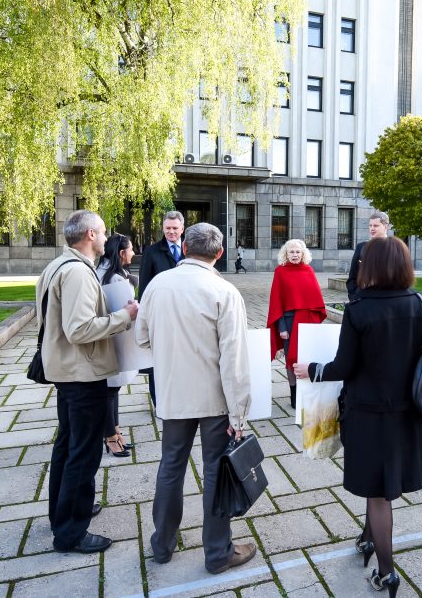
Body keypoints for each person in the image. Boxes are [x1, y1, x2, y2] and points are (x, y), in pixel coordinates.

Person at [294, 237, 422, 598]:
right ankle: (367, 540)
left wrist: (312, 369)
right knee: (381, 484)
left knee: (378, 494)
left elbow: (344, 366)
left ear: (372, 267)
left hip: (369, 413)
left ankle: (387, 572)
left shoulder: (359, 309)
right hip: (409, 411)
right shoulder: (421, 304)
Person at [135, 222, 258, 574]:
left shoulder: (157, 284)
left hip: (173, 392)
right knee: (216, 471)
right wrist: (239, 414)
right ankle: (218, 552)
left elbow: (141, 338)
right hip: (214, 397)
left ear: (186, 247)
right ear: (219, 254)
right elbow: (235, 359)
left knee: (170, 467)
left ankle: (162, 543)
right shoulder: (223, 290)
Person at [36, 210, 138, 554]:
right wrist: (124, 316)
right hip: (83, 372)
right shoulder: (78, 273)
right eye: (104, 232)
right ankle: (71, 532)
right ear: (90, 235)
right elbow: (79, 329)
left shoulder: (58, 265)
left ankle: (62, 513)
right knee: (82, 452)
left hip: (67, 370)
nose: (108, 238)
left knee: (67, 446)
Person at [267, 239, 326, 409]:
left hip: (308, 322)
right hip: (289, 322)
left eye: (298, 252)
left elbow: (316, 301)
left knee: (307, 357)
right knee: (290, 360)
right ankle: (293, 393)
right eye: (291, 252)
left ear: (303, 254)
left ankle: (305, 392)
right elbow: (276, 303)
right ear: (286, 254)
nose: (294, 255)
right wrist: (282, 328)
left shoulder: (308, 270)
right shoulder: (280, 271)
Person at [95, 233, 139, 458]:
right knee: (109, 391)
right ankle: (111, 437)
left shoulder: (106, 273)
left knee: (113, 390)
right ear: (121, 253)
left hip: (109, 337)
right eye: (131, 249)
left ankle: (115, 432)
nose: (133, 252)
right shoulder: (113, 279)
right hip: (113, 339)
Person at [137, 210, 185, 406]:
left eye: (175, 228)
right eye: (167, 228)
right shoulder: (151, 252)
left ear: (182, 228)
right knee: (158, 360)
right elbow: (145, 287)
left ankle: (180, 397)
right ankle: (159, 403)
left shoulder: (190, 250)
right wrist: (145, 316)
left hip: (185, 315)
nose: (171, 232)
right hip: (161, 315)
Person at [346, 210, 390, 302]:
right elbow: (352, 277)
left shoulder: (394, 248)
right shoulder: (361, 247)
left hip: (387, 301)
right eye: (370, 225)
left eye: (376, 226)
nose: (372, 229)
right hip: (363, 300)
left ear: (385, 227)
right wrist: (354, 297)